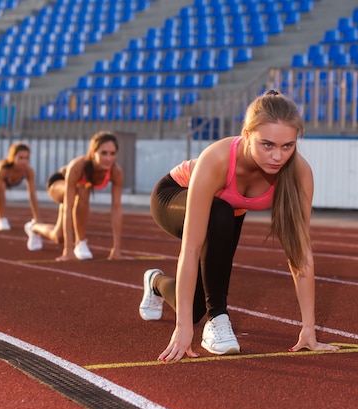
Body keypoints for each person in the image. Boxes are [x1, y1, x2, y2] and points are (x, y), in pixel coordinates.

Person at [139, 90, 340, 362]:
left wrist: (308, 329)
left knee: (195, 305)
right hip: (174, 197)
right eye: (267, 144)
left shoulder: (299, 173)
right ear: (247, 135)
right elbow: (191, 248)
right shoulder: (217, 159)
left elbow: (300, 253)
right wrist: (182, 328)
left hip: (224, 212)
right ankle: (218, 319)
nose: (278, 156)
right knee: (220, 211)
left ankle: (155, 282)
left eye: (287, 146)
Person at [23, 131, 124, 261]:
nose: (108, 158)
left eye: (112, 153)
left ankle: (33, 227)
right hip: (59, 185)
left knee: (58, 237)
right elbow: (68, 208)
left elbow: (116, 208)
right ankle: (80, 242)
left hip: (76, 192)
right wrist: (68, 250)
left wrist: (116, 248)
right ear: (93, 153)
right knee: (82, 190)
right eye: (103, 153)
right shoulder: (77, 167)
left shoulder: (116, 172)